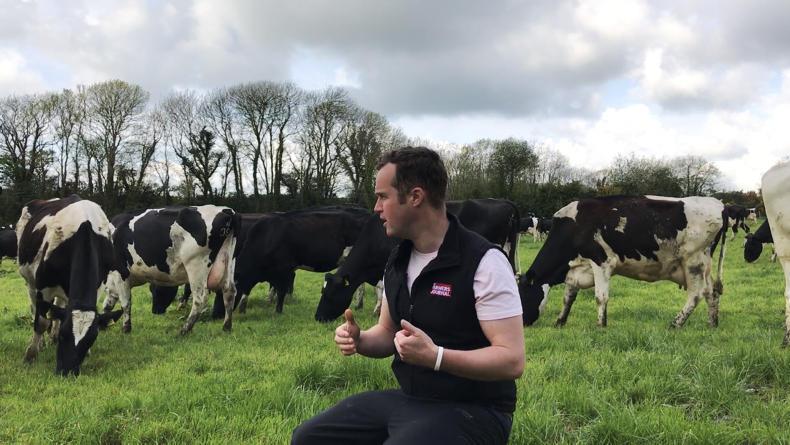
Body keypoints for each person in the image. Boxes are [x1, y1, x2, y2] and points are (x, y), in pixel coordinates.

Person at [292, 146, 525, 444]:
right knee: (308, 437)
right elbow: (387, 332)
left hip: (476, 410)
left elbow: (511, 360)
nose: (376, 208)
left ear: (415, 197)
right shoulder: (398, 259)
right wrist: (360, 339)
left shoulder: (484, 262)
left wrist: (437, 357)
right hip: (413, 399)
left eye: (383, 197)